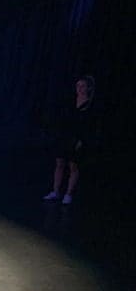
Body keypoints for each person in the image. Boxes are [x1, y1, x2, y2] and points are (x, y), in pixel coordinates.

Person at [43, 75, 96, 205]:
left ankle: (69, 193)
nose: (79, 88)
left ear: (88, 88)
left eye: (82, 86)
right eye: (78, 86)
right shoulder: (70, 100)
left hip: (78, 138)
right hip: (64, 136)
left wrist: (81, 140)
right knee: (59, 163)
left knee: (73, 166)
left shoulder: (90, 104)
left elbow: (89, 125)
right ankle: (55, 191)